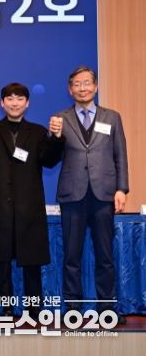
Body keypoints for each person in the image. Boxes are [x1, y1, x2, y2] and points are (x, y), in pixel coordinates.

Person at [0, 83, 64, 318]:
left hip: (29, 204)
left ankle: (34, 308)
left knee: (32, 260)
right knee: (2, 262)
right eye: (10, 99)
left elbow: (49, 161)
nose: (15, 103)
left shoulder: (38, 132)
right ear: (2, 103)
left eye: (20, 98)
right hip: (1, 205)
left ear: (27, 103)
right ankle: (5, 307)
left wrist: (56, 138)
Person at [54, 66, 128, 324]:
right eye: (77, 84)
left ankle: (107, 309)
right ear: (69, 89)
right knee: (71, 257)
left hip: (103, 194)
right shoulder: (60, 119)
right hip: (72, 194)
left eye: (87, 83)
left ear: (95, 86)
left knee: (105, 256)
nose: (82, 88)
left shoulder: (112, 117)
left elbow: (120, 155)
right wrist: (54, 137)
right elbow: (51, 157)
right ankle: (73, 309)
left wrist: (122, 189)